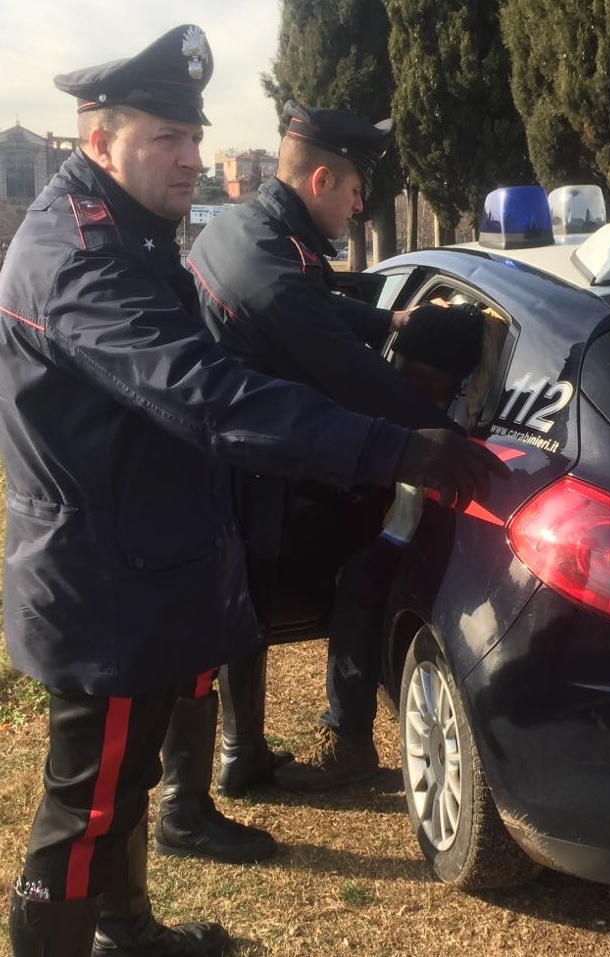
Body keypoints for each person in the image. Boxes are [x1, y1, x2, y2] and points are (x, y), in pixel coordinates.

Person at [0, 25, 506, 957]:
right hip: (100, 585)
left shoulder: (130, 228)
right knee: (84, 806)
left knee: (131, 778)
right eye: (165, 138)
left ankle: (127, 932)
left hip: (143, 560)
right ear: (100, 140)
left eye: (194, 137)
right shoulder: (78, 258)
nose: (191, 157)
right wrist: (398, 446)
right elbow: (207, 392)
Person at [186, 101, 475, 795]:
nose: (358, 204)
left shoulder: (251, 230)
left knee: (243, 608)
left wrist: (394, 316)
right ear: (320, 180)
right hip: (240, 464)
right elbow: (355, 375)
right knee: (242, 609)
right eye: (352, 190)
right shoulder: (272, 264)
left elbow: (318, 298)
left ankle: (241, 753)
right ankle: (233, 762)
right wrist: (450, 447)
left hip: (234, 454)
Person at [270, 300, 490, 791]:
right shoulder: (399, 393)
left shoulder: (469, 420)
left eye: (423, 389)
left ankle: (348, 741)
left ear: (459, 386)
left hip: (450, 540)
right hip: (401, 518)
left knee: (360, 584)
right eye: (399, 378)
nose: (403, 398)